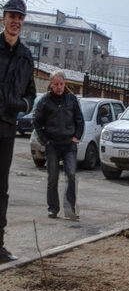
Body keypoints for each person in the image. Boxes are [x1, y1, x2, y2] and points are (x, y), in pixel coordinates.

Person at [0, 0, 36, 263]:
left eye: (20, 18)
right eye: (12, 16)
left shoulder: (26, 56)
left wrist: (19, 105)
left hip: (6, 128)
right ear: (4, 18)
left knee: (1, 188)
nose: (16, 21)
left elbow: (31, 95)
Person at [34, 71, 84, 222]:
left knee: (71, 175)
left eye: (61, 84)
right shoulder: (44, 101)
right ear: (51, 84)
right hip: (53, 145)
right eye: (55, 84)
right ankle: (53, 209)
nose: (59, 87)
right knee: (53, 178)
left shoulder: (71, 99)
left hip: (69, 145)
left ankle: (70, 210)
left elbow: (79, 120)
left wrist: (77, 136)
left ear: (65, 83)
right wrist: (45, 141)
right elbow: (36, 122)